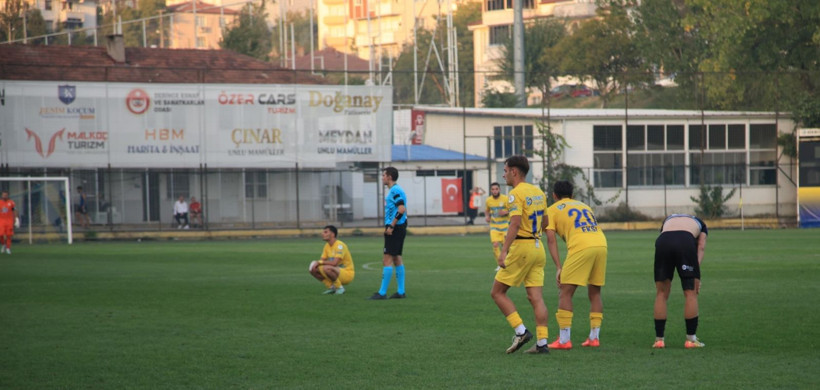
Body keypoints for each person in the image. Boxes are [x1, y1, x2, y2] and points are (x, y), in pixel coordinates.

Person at [491, 155, 551, 354]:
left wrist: (504, 250)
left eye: (505, 170)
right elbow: (545, 222)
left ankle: (521, 331)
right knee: (536, 297)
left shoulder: (515, 194)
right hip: (537, 247)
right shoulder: (538, 192)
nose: (504, 174)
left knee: (497, 292)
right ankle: (542, 343)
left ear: (514, 172)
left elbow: (515, 223)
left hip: (522, 248)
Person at [545, 180, 608, 350]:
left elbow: (550, 239)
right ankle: (594, 338)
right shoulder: (584, 206)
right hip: (601, 243)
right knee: (595, 292)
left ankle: (564, 340)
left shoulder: (550, 211)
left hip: (582, 246)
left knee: (565, 292)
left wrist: (559, 267)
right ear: (572, 195)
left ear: (554, 196)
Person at [653, 214, 708, 349]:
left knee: (661, 293)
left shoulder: (668, 219)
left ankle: (659, 340)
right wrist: (695, 270)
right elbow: (701, 246)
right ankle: (691, 340)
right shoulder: (701, 224)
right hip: (685, 241)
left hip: (662, 242)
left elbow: (665, 235)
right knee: (690, 293)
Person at [369, 166, 408, 300]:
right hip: (398, 227)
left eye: (384, 175)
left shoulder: (395, 190)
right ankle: (401, 292)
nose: (382, 177)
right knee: (396, 258)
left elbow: (401, 208)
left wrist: (391, 225)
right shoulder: (395, 190)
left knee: (387, 259)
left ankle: (382, 293)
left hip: (395, 228)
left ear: (390, 176)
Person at [309, 225, 355, 295]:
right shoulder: (327, 246)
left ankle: (339, 287)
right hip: (337, 270)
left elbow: (334, 263)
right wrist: (316, 264)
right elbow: (321, 262)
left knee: (326, 268)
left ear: (333, 234)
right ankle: (331, 287)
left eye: (325, 232)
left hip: (347, 273)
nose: (322, 234)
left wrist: (319, 262)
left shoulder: (340, 245)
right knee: (313, 269)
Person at [485, 182, 510, 271]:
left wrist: (506, 212)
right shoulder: (488, 200)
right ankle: (500, 264)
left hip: (505, 227)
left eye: (496, 189)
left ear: (499, 189)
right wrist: (487, 216)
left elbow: (512, 209)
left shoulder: (505, 199)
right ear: (491, 191)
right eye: (493, 189)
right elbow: (487, 210)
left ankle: (507, 262)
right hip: (494, 227)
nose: (495, 191)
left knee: (505, 247)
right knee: (495, 245)